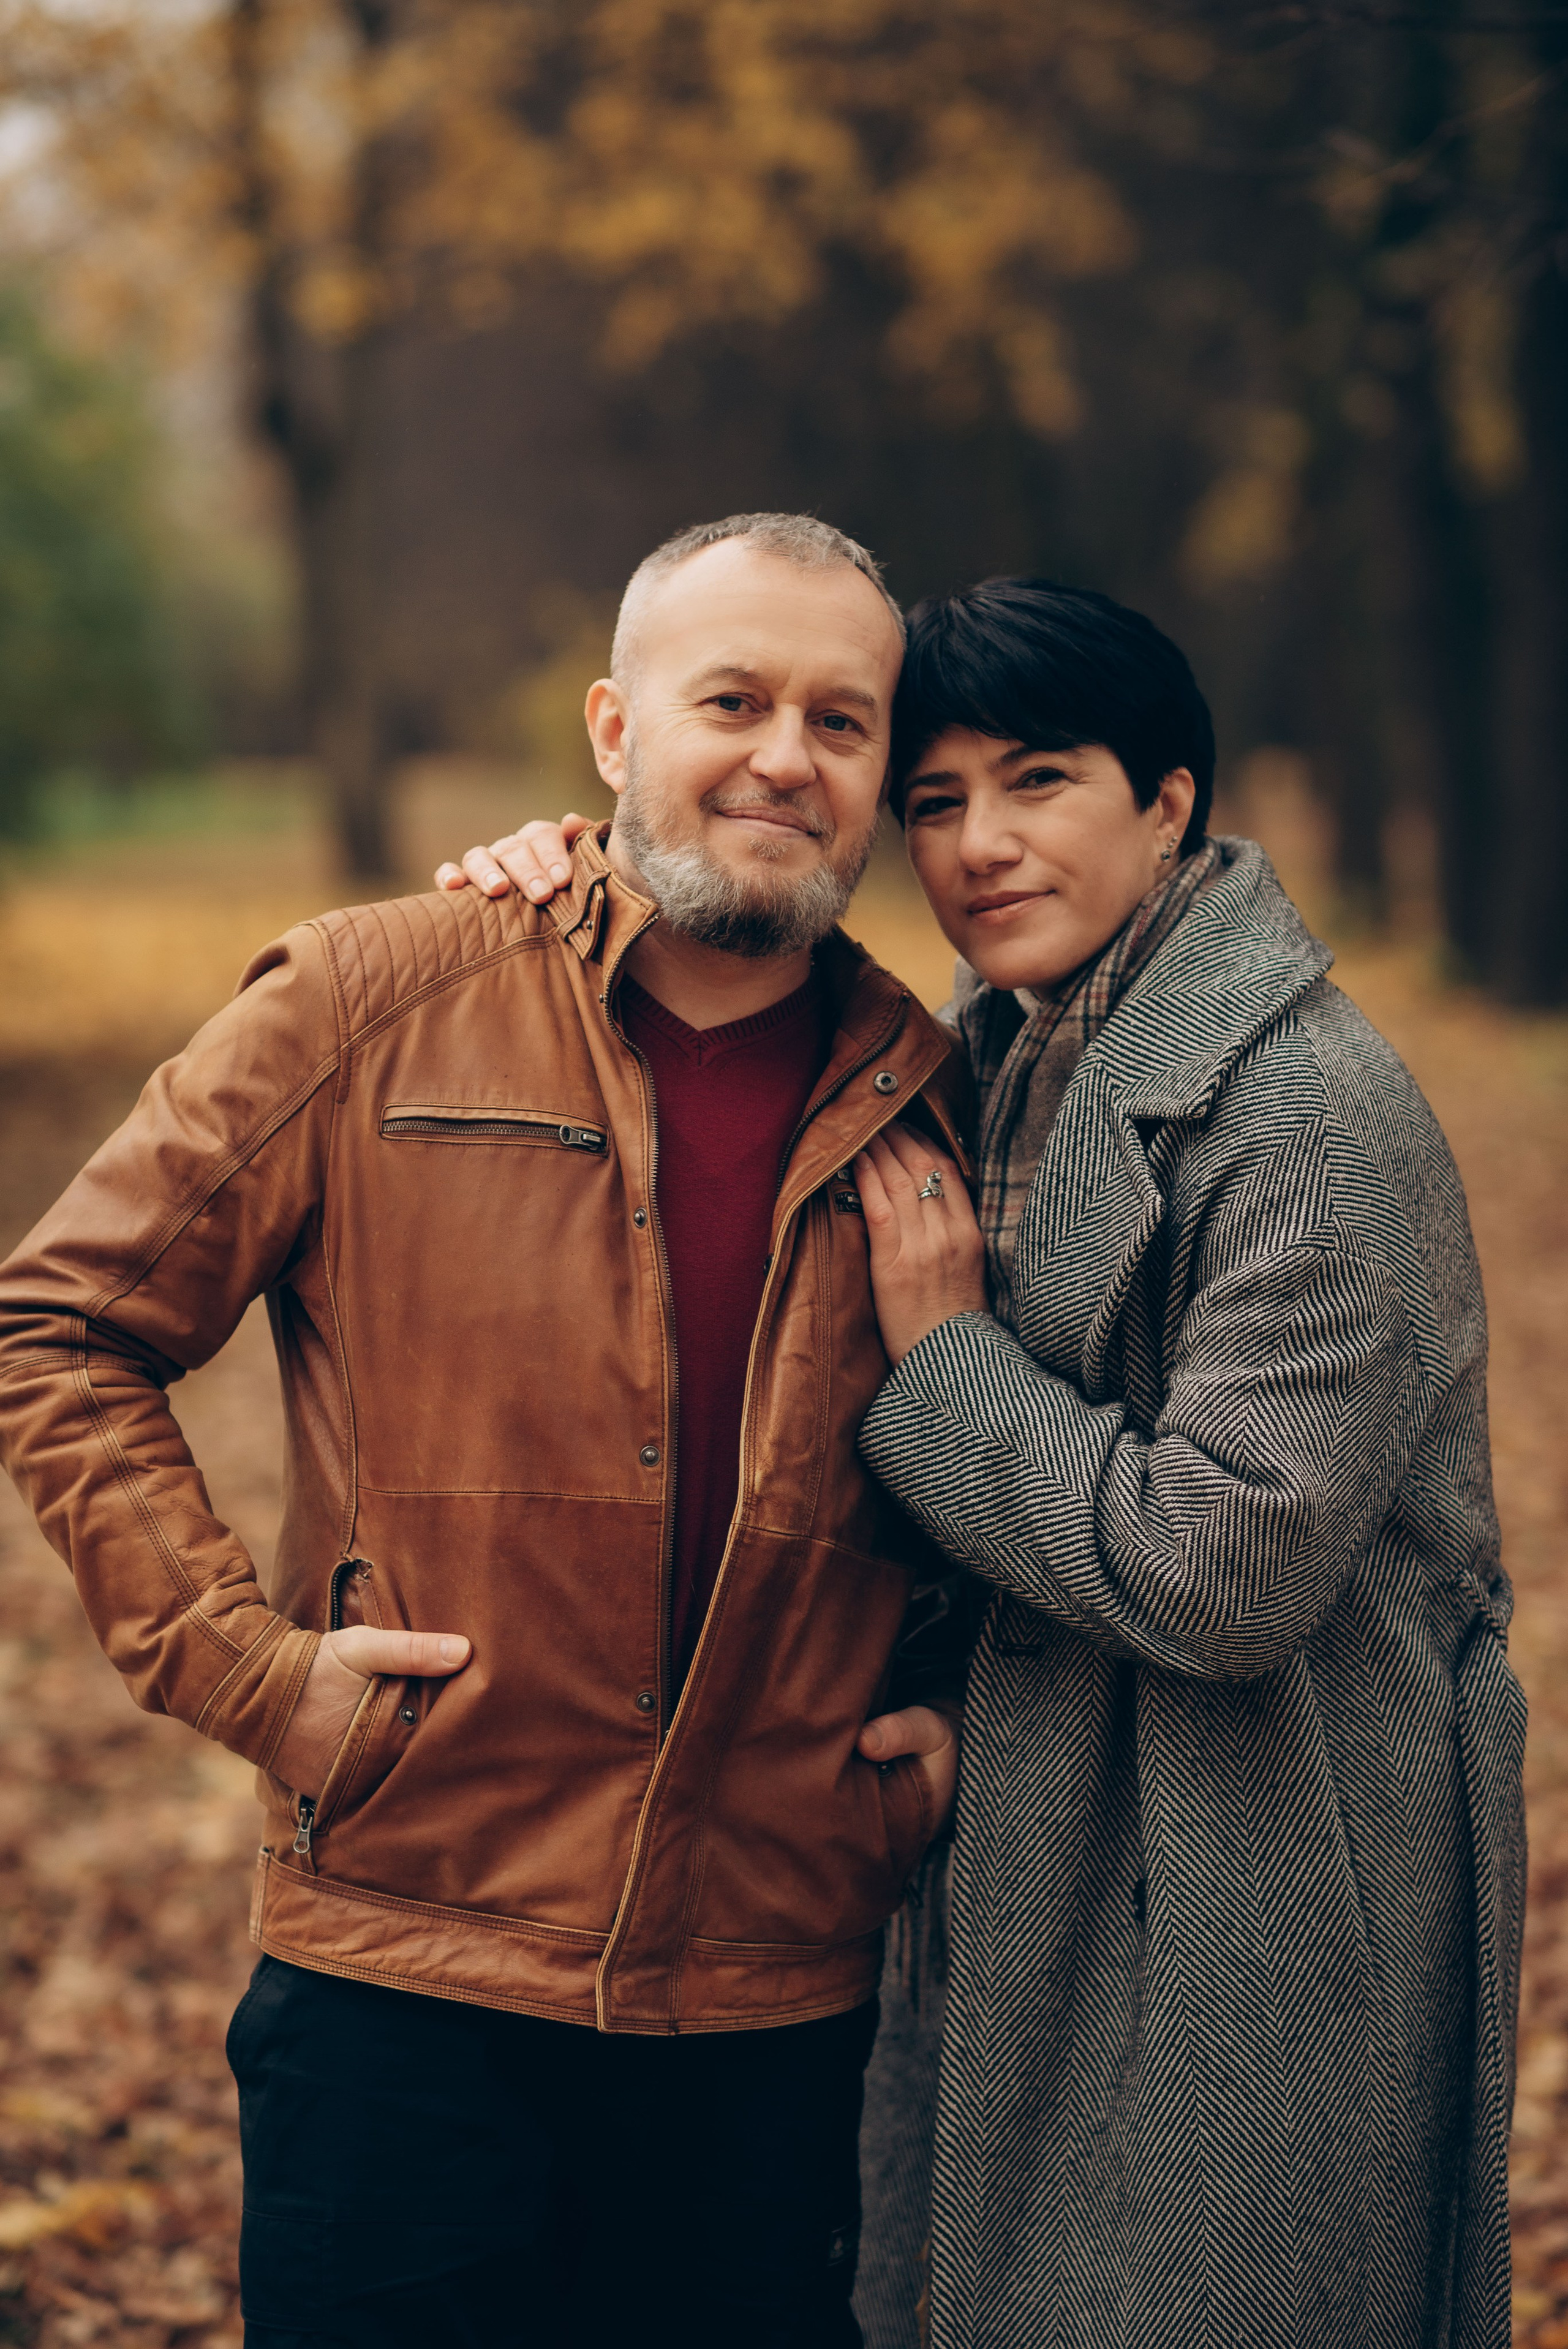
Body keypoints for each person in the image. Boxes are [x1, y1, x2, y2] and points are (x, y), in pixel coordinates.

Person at [446, 576, 1525, 2349]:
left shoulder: (1306, 1118)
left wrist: (945, 1356)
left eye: (1040, 782)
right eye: (937, 803)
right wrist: (567, 878)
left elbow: (1226, 1568)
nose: (983, 847)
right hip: (1037, 1844)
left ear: (1170, 800)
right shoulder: (1001, 1052)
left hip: (1263, 1868)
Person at [0, 513, 976, 2349]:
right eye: (735, 698)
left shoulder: (938, 1092)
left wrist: (939, 1748)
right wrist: (249, 1672)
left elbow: (1016, 1475)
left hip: (775, 2010)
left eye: (843, 723)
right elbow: (56, 1325)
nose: (787, 754)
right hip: (406, 1971)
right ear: (616, 731)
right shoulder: (377, 999)